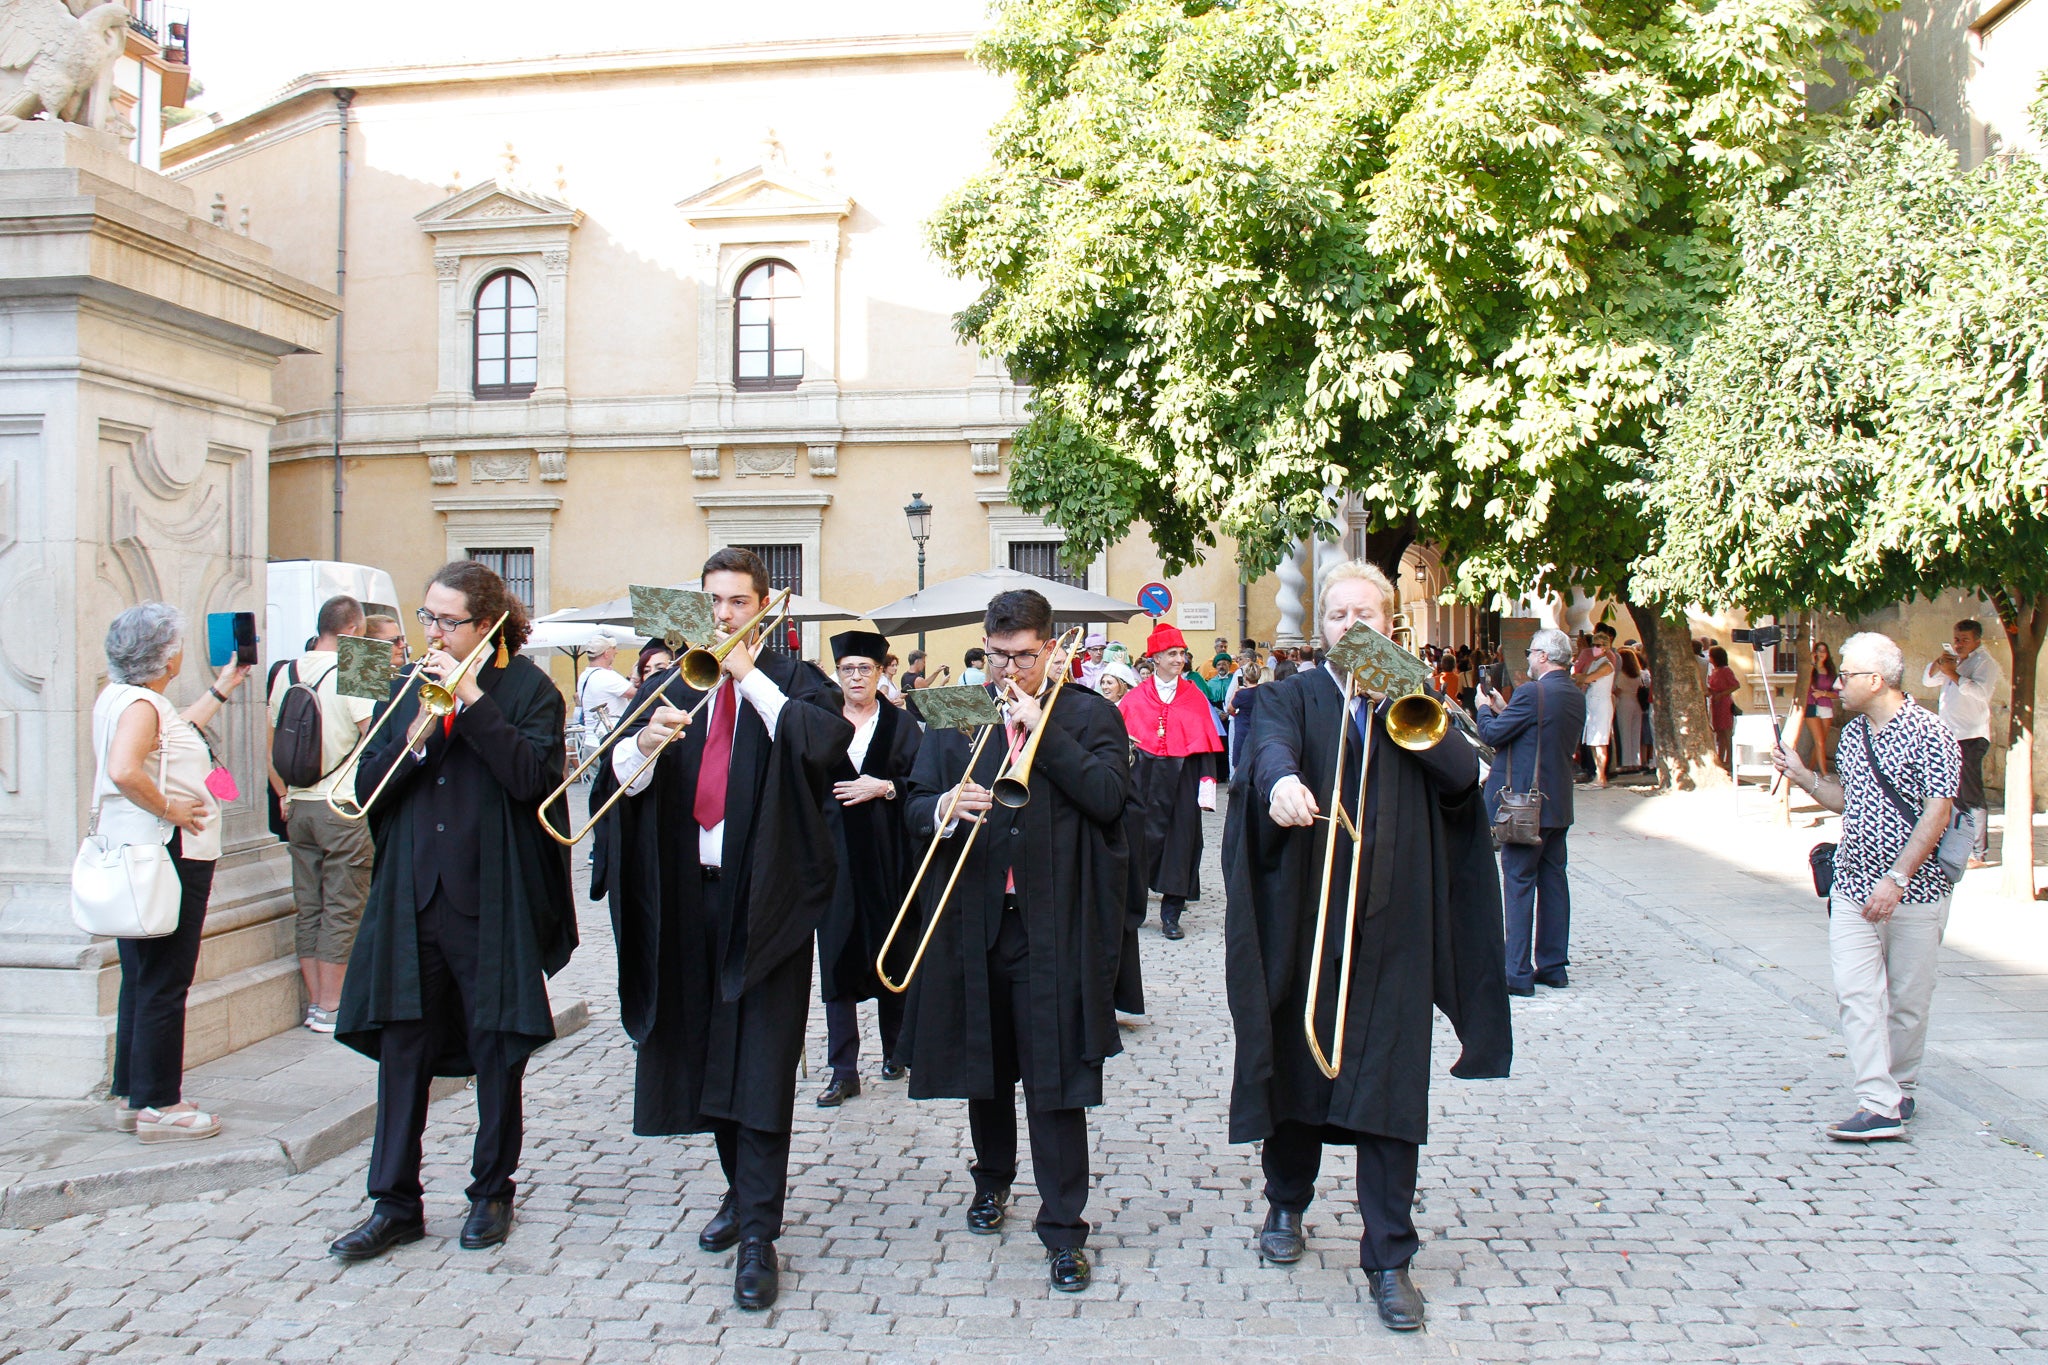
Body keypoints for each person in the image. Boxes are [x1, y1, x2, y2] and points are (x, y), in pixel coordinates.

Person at [1224, 560, 1511, 1334]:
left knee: (1390, 1091)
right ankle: (1286, 1202)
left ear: (1391, 626)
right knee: (1295, 1071)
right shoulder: (1291, 695)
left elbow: (1462, 783)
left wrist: (1407, 705)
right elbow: (1266, 751)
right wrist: (1281, 783)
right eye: (1339, 615)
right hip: (1307, 920)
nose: (1353, 626)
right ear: (1323, 627)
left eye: (1367, 615)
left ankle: (1390, 1257)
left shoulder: (1418, 700)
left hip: (1396, 927)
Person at [589, 547, 851, 1310]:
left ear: (766, 607)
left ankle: (760, 1233)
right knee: (706, 1055)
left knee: (762, 1064)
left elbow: (820, 746)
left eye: (739, 601)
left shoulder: (797, 684)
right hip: (688, 897)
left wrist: (744, 675)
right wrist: (641, 745)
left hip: (764, 900)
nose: (726, 615)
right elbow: (617, 785)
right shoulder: (674, 681)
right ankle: (742, 1193)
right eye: (715, 602)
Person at [329, 561, 577, 1263]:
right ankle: (394, 1202)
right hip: (413, 897)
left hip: (490, 898)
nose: (431, 631)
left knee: (498, 1050)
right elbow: (369, 783)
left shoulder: (529, 689)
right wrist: (419, 724)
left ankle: (491, 1190)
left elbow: (533, 781)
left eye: (446, 619)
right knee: (403, 1048)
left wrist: (471, 703)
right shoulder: (408, 682)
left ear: (488, 623)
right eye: (427, 616)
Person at [897, 588, 1131, 1295]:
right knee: (985, 1063)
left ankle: (1064, 1228)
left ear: (1052, 648)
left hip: (1052, 924)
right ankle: (992, 1180)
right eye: (998, 656)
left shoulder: (1092, 713)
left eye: (1024, 657)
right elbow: (912, 800)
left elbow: (1111, 798)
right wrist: (939, 805)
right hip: (975, 918)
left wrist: (1044, 732)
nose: (1009, 671)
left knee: (1056, 1079)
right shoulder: (958, 711)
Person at [1775, 632, 1960, 1141]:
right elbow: (1846, 802)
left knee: (1907, 1001)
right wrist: (1803, 775)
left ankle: (1899, 1088)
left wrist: (1897, 879)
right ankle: (1878, 1101)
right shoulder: (1855, 736)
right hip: (1853, 887)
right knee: (1856, 995)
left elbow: (1937, 811)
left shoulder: (1930, 733)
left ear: (1876, 680)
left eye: (1847, 675)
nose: (1836, 684)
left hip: (1915, 894)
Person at [95, 603, 254, 1143]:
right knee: (165, 980)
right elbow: (124, 768)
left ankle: (131, 1092)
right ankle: (160, 1104)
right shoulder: (143, 705)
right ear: (166, 654)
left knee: (142, 976)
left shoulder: (129, 699)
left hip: (144, 853)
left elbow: (175, 732)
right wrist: (170, 808)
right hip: (170, 853)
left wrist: (223, 687)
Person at [814, 631, 922, 1106]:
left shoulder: (902, 724)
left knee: (892, 949)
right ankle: (843, 1068)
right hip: (832, 856)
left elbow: (923, 783)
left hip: (888, 855)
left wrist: (885, 788)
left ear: (882, 673)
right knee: (837, 957)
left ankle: (896, 1050)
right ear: (838, 674)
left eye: (865, 669)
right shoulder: (818, 721)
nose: (856, 677)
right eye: (847, 670)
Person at [267, 593, 377, 1033]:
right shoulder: (358, 662)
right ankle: (331, 1006)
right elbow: (376, 740)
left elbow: (271, 745)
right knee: (344, 906)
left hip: (298, 804)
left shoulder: (288, 670)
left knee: (308, 903)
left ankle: (315, 1000)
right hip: (342, 801)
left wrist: (283, 794)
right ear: (352, 632)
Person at [1477, 629, 1589, 996]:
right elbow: (1536, 732)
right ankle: (1554, 966)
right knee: (1554, 881)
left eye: (1530, 653)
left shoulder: (1532, 692)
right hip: (1558, 802)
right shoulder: (1573, 694)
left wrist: (1482, 708)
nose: (1527, 658)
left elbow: (1493, 735)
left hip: (1526, 806)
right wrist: (1505, 710)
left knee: (1519, 882)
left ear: (1542, 655)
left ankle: (1517, 971)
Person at [1118, 624, 1226, 940]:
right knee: (1137, 845)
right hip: (1143, 781)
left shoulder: (1194, 696)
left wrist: (1207, 788)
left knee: (1181, 846)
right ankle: (1133, 911)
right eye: (1173, 654)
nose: (1180, 659)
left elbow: (1206, 746)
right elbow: (1119, 747)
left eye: (1182, 653)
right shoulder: (1135, 698)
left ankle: (1171, 914)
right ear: (1156, 658)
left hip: (1183, 781)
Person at [1922, 620, 1999, 866]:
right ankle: (1958, 846)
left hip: (1970, 736)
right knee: (1952, 795)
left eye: (1965, 640)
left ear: (1977, 640)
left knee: (1971, 795)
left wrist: (1952, 674)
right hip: (1950, 735)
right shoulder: (1954, 660)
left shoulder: (1985, 663)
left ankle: (1979, 852)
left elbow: (1980, 692)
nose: (1959, 644)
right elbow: (1928, 680)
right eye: (1956, 639)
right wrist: (1940, 663)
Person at [1573, 626, 1617, 788]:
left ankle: (1601, 776)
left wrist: (1581, 677)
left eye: (1598, 645)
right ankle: (1598, 775)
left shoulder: (1606, 665)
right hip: (1592, 703)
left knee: (1600, 741)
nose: (1595, 648)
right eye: (1594, 645)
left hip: (1601, 704)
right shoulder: (1596, 662)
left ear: (1605, 647)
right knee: (1592, 741)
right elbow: (1581, 677)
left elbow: (1588, 678)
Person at [576, 640, 633, 734]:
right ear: (606, 653)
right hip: (609, 737)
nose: (616, 652)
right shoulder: (606, 676)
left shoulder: (584, 675)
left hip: (591, 738)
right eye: (613, 649)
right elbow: (640, 693)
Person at [1804, 641, 1841, 779]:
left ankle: (1810, 770)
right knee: (1818, 741)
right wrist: (1813, 664)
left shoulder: (1830, 672)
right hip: (1811, 706)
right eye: (1818, 650)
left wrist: (1823, 693)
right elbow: (1805, 686)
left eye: (1824, 651)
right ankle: (1824, 773)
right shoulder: (1810, 670)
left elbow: (1837, 694)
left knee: (1820, 742)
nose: (1821, 654)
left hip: (1826, 706)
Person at [1706, 646, 1740, 773]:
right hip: (1715, 704)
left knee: (1726, 733)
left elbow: (1736, 685)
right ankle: (1721, 759)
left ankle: (1730, 761)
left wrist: (1721, 694)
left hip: (1724, 704)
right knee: (1719, 733)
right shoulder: (1715, 671)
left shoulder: (1726, 671)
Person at [1611, 643, 1643, 773]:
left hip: (1624, 702)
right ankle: (1636, 761)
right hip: (1636, 702)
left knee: (1625, 732)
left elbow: (1617, 690)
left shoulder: (1621, 675)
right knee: (1635, 733)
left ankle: (1626, 762)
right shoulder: (1637, 674)